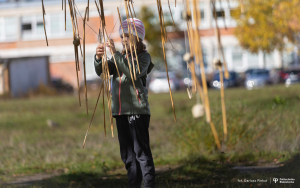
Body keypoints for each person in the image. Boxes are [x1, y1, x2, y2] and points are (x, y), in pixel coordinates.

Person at [94, 18, 155, 188]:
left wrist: (116, 54)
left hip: (137, 110)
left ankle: (149, 185)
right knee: (128, 155)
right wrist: (99, 58)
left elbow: (133, 72)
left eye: (128, 35)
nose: (124, 39)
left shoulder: (144, 57)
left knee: (141, 152)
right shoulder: (120, 57)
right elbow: (104, 73)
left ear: (138, 37)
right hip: (120, 112)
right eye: (122, 36)